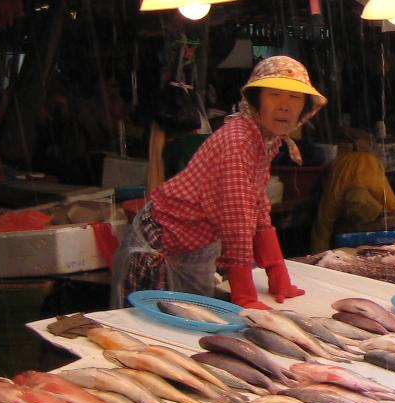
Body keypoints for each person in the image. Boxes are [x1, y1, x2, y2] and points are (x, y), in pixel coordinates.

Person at [111, 55, 324, 309]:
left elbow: (257, 206)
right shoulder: (238, 141)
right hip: (158, 249)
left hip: (189, 250)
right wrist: (244, 295)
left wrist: (276, 271)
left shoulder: (263, 140)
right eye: (275, 94)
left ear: (305, 107)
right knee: (153, 328)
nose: (285, 106)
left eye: (295, 97)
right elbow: (237, 220)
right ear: (255, 100)